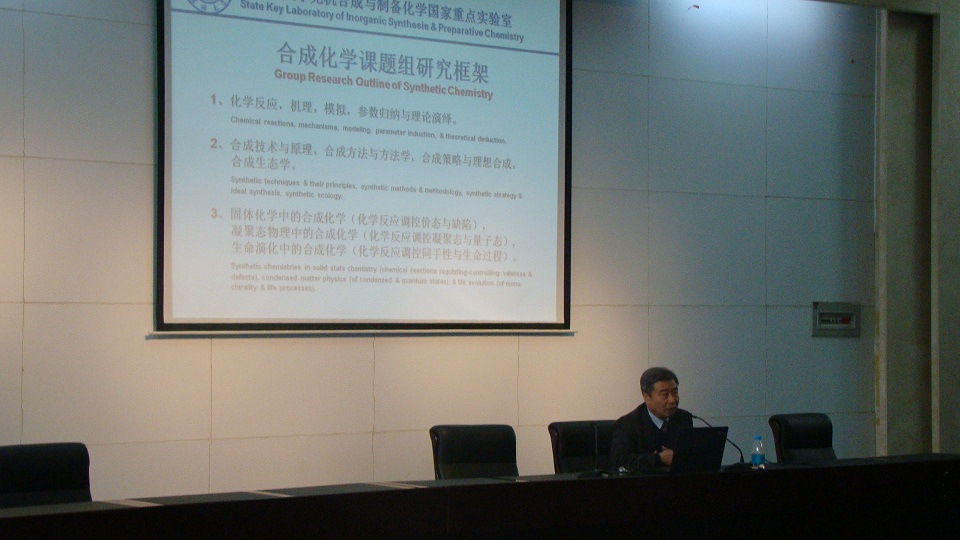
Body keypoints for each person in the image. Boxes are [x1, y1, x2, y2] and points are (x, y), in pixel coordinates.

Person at [610, 366, 693, 471]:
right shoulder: (627, 424)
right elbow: (619, 461)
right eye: (665, 395)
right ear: (646, 397)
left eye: (675, 393)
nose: (672, 400)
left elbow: (690, 455)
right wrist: (658, 459)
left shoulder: (684, 418)